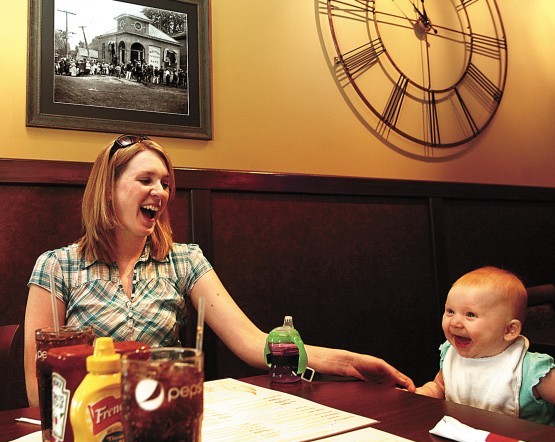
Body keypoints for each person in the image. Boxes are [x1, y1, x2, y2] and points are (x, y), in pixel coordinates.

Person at [24, 134, 414, 406]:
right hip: (93, 427)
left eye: (164, 182)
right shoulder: (56, 267)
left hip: (166, 414)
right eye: (145, 180)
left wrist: (348, 363)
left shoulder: (184, 260)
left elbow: (251, 341)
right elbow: (37, 389)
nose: (160, 192)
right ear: (107, 190)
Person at [414, 266, 555, 437]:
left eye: (470, 314)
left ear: (509, 330)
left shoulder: (531, 370)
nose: (455, 322)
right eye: (450, 311)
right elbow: (440, 386)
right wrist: (420, 394)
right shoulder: (451, 355)